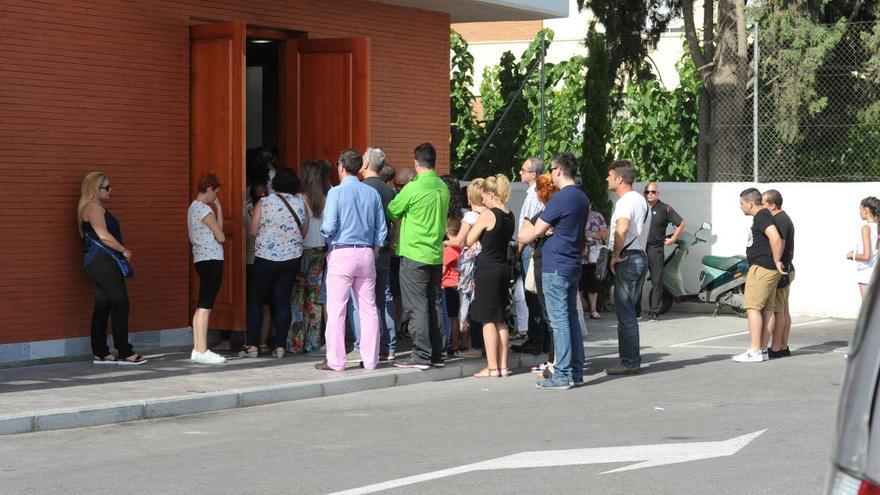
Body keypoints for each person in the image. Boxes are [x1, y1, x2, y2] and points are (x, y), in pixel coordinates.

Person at [519, 153, 588, 390]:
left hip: (555, 265)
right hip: (571, 264)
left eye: (552, 169)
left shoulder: (560, 200)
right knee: (571, 320)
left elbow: (531, 233)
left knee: (559, 322)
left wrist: (532, 231)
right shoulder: (581, 197)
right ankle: (575, 371)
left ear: (558, 170)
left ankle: (562, 374)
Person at [314, 149, 387, 371]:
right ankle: (371, 360)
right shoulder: (371, 193)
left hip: (342, 252)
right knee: (368, 308)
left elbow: (328, 227)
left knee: (337, 310)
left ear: (341, 167)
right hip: (366, 253)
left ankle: (336, 361)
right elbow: (381, 230)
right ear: (360, 168)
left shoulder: (336, 193)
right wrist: (372, 250)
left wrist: (331, 238)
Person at [388, 143, 450, 370]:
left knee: (417, 305)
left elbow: (392, 210)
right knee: (433, 303)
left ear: (416, 162)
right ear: (434, 162)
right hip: (435, 253)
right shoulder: (443, 187)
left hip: (414, 253)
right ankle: (437, 353)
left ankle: (421, 355)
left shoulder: (412, 188)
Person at [78, 172, 146, 365]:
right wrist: (124, 250)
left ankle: (100, 352)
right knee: (121, 303)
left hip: (97, 262)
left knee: (103, 305)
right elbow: (103, 235)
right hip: (104, 261)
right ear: (95, 189)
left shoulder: (90, 207)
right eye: (107, 187)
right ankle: (125, 351)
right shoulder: (94, 208)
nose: (111, 191)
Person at [242, 167, 308, 359]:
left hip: (265, 259)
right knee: (282, 302)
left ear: (275, 183)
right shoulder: (300, 203)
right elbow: (303, 232)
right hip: (291, 259)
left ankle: (252, 346)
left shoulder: (264, 203)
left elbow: (253, 231)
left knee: (255, 300)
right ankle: (280, 346)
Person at [467, 175, 516, 378]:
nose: (482, 201)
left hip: (487, 269)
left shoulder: (488, 215)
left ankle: (492, 367)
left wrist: (477, 218)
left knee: (488, 320)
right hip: (503, 268)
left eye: (484, 196)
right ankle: (503, 366)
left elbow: (470, 239)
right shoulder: (509, 214)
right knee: (500, 319)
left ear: (490, 194)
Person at [605, 160, 649, 375]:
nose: (607, 179)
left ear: (619, 178)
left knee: (625, 313)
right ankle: (631, 359)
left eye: (610, 175)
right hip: (639, 256)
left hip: (628, 258)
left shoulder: (625, 202)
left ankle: (629, 361)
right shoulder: (640, 200)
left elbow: (621, 228)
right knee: (629, 311)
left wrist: (614, 255)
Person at [733, 188, 786, 363]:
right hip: (767, 268)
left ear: (749, 203)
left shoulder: (761, 216)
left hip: (762, 268)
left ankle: (755, 350)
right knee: (767, 309)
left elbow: (775, 238)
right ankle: (762, 350)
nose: (740, 207)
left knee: (753, 307)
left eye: (741, 203)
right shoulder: (765, 215)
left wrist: (777, 260)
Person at [361, 147, 399, 361]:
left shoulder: (360, 188)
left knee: (362, 299)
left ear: (365, 164)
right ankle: (389, 346)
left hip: (364, 248)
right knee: (384, 295)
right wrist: (391, 243)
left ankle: (366, 345)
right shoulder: (389, 191)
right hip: (384, 249)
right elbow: (395, 222)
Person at [291, 160, 331, 355]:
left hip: (301, 250)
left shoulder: (298, 198)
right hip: (320, 250)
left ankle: (296, 342)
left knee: (297, 297)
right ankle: (313, 342)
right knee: (314, 298)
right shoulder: (326, 197)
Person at [187, 172, 227, 364]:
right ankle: (202, 350)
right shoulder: (204, 210)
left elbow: (216, 230)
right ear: (209, 189)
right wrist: (215, 209)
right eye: (215, 193)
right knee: (206, 306)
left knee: (202, 304)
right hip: (212, 259)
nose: (216, 196)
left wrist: (218, 207)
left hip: (200, 259)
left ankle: (197, 348)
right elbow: (221, 237)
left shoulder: (193, 208)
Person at [512, 157, 548, 353]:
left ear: (533, 174)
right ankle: (540, 339)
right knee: (534, 295)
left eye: (524, 170)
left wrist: (518, 250)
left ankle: (536, 341)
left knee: (532, 295)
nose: (520, 173)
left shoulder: (534, 196)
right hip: (532, 247)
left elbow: (528, 227)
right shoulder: (537, 194)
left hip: (530, 248)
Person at [453, 179, 486, 357]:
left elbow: (459, 241)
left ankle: (471, 343)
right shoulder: (490, 214)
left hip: (468, 266)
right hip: (484, 263)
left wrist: (444, 241)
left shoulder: (470, 217)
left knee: (466, 302)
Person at [642, 183, 685, 321]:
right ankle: (636, 312)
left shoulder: (665, 208)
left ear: (657, 193)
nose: (650, 194)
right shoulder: (640, 208)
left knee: (656, 281)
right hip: (640, 248)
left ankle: (654, 311)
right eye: (647, 192)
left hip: (656, 249)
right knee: (637, 281)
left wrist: (673, 239)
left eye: (653, 192)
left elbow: (681, 223)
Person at [762, 189, 795, 358]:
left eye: (764, 203)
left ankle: (776, 348)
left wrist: (776, 264)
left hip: (782, 270)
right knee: (783, 310)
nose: (761, 206)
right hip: (786, 269)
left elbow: (779, 245)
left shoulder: (780, 220)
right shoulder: (783, 218)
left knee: (778, 311)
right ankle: (782, 346)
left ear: (772, 205)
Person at [847, 197, 880, 299]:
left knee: (868, 311)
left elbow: (867, 256)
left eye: (860, 209)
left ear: (866, 210)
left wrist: (852, 255)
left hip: (866, 274)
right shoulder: (876, 227)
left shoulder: (866, 228)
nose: (859, 212)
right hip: (875, 273)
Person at [580, 201, 608, 320]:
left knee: (593, 284)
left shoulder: (598, 216)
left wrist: (589, 233)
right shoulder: (576, 215)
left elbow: (604, 234)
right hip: (579, 256)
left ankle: (593, 310)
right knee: (578, 284)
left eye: (588, 204)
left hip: (594, 255)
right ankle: (579, 311)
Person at [442, 218, 463, 354]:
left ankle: (454, 344)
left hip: (450, 285)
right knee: (463, 315)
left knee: (452, 316)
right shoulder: (462, 247)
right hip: (461, 283)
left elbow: (443, 269)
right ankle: (464, 342)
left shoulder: (449, 249)